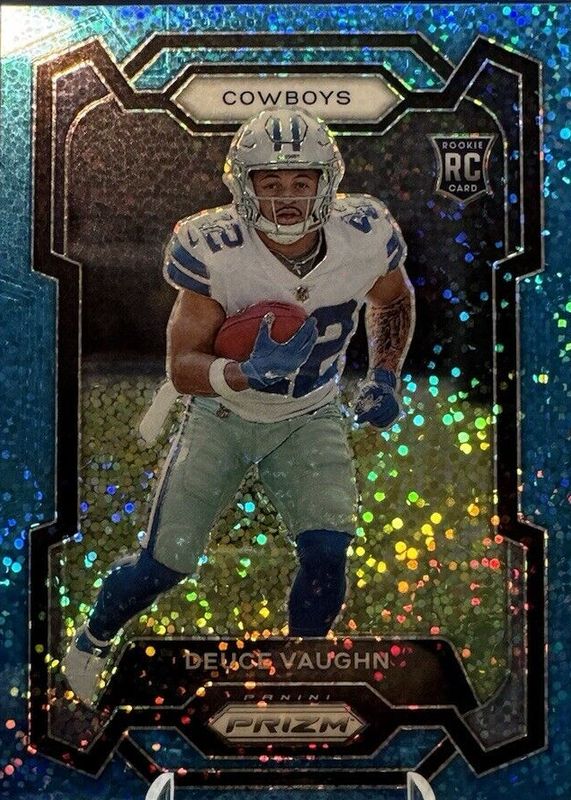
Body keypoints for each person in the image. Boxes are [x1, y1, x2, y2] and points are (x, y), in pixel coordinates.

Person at [62, 107, 415, 707]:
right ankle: (90, 644)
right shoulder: (215, 247)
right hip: (222, 417)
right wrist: (245, 372)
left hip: (309, 413)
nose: (287, 197)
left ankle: (302, 675)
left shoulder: (363, 232)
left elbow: (394, 299)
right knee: (164, 565)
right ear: (243, 186)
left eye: (302, 181)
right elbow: (182, 366)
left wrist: (384, 375)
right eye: (270, 181)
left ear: (328, 182)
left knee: (327, 552)